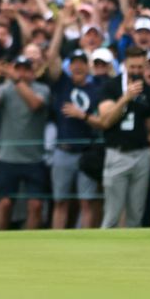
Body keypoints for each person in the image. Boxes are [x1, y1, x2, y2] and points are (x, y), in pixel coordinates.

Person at [0, 56, 50, 230]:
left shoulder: (42, 89)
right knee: (5, 204)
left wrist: (15, 79)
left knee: (35, 205)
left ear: (33, 72)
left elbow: (35, 104)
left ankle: (30, 245)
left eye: (25, 69)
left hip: (34, 158)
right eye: (18, 69)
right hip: (8, 157)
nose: (21, 73)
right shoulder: (6, 88)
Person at [96, 52, 150, 228]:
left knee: (136, 214)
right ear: (124, 65)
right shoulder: (111, 87)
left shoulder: (149, 91)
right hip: (117, 153)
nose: (136, 71)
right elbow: (105, 121)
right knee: (112, 214)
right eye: (132, 67)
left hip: (141, 155)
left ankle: (132, 253)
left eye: (139, 67)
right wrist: (125, 98)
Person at [49, 49, 104, 229]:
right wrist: (61, 26)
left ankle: (85, 241)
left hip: (86, 153)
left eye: (82, 62)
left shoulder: (96, 90)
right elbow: (51, 58)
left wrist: (82, 115)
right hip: (63, 151)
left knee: (87, 202)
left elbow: (102, 122)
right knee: (60, 201)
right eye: (74, 62)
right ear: (69, 66)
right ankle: (56, 242)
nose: (78, 66)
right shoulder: (62, 84)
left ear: (88, 66)